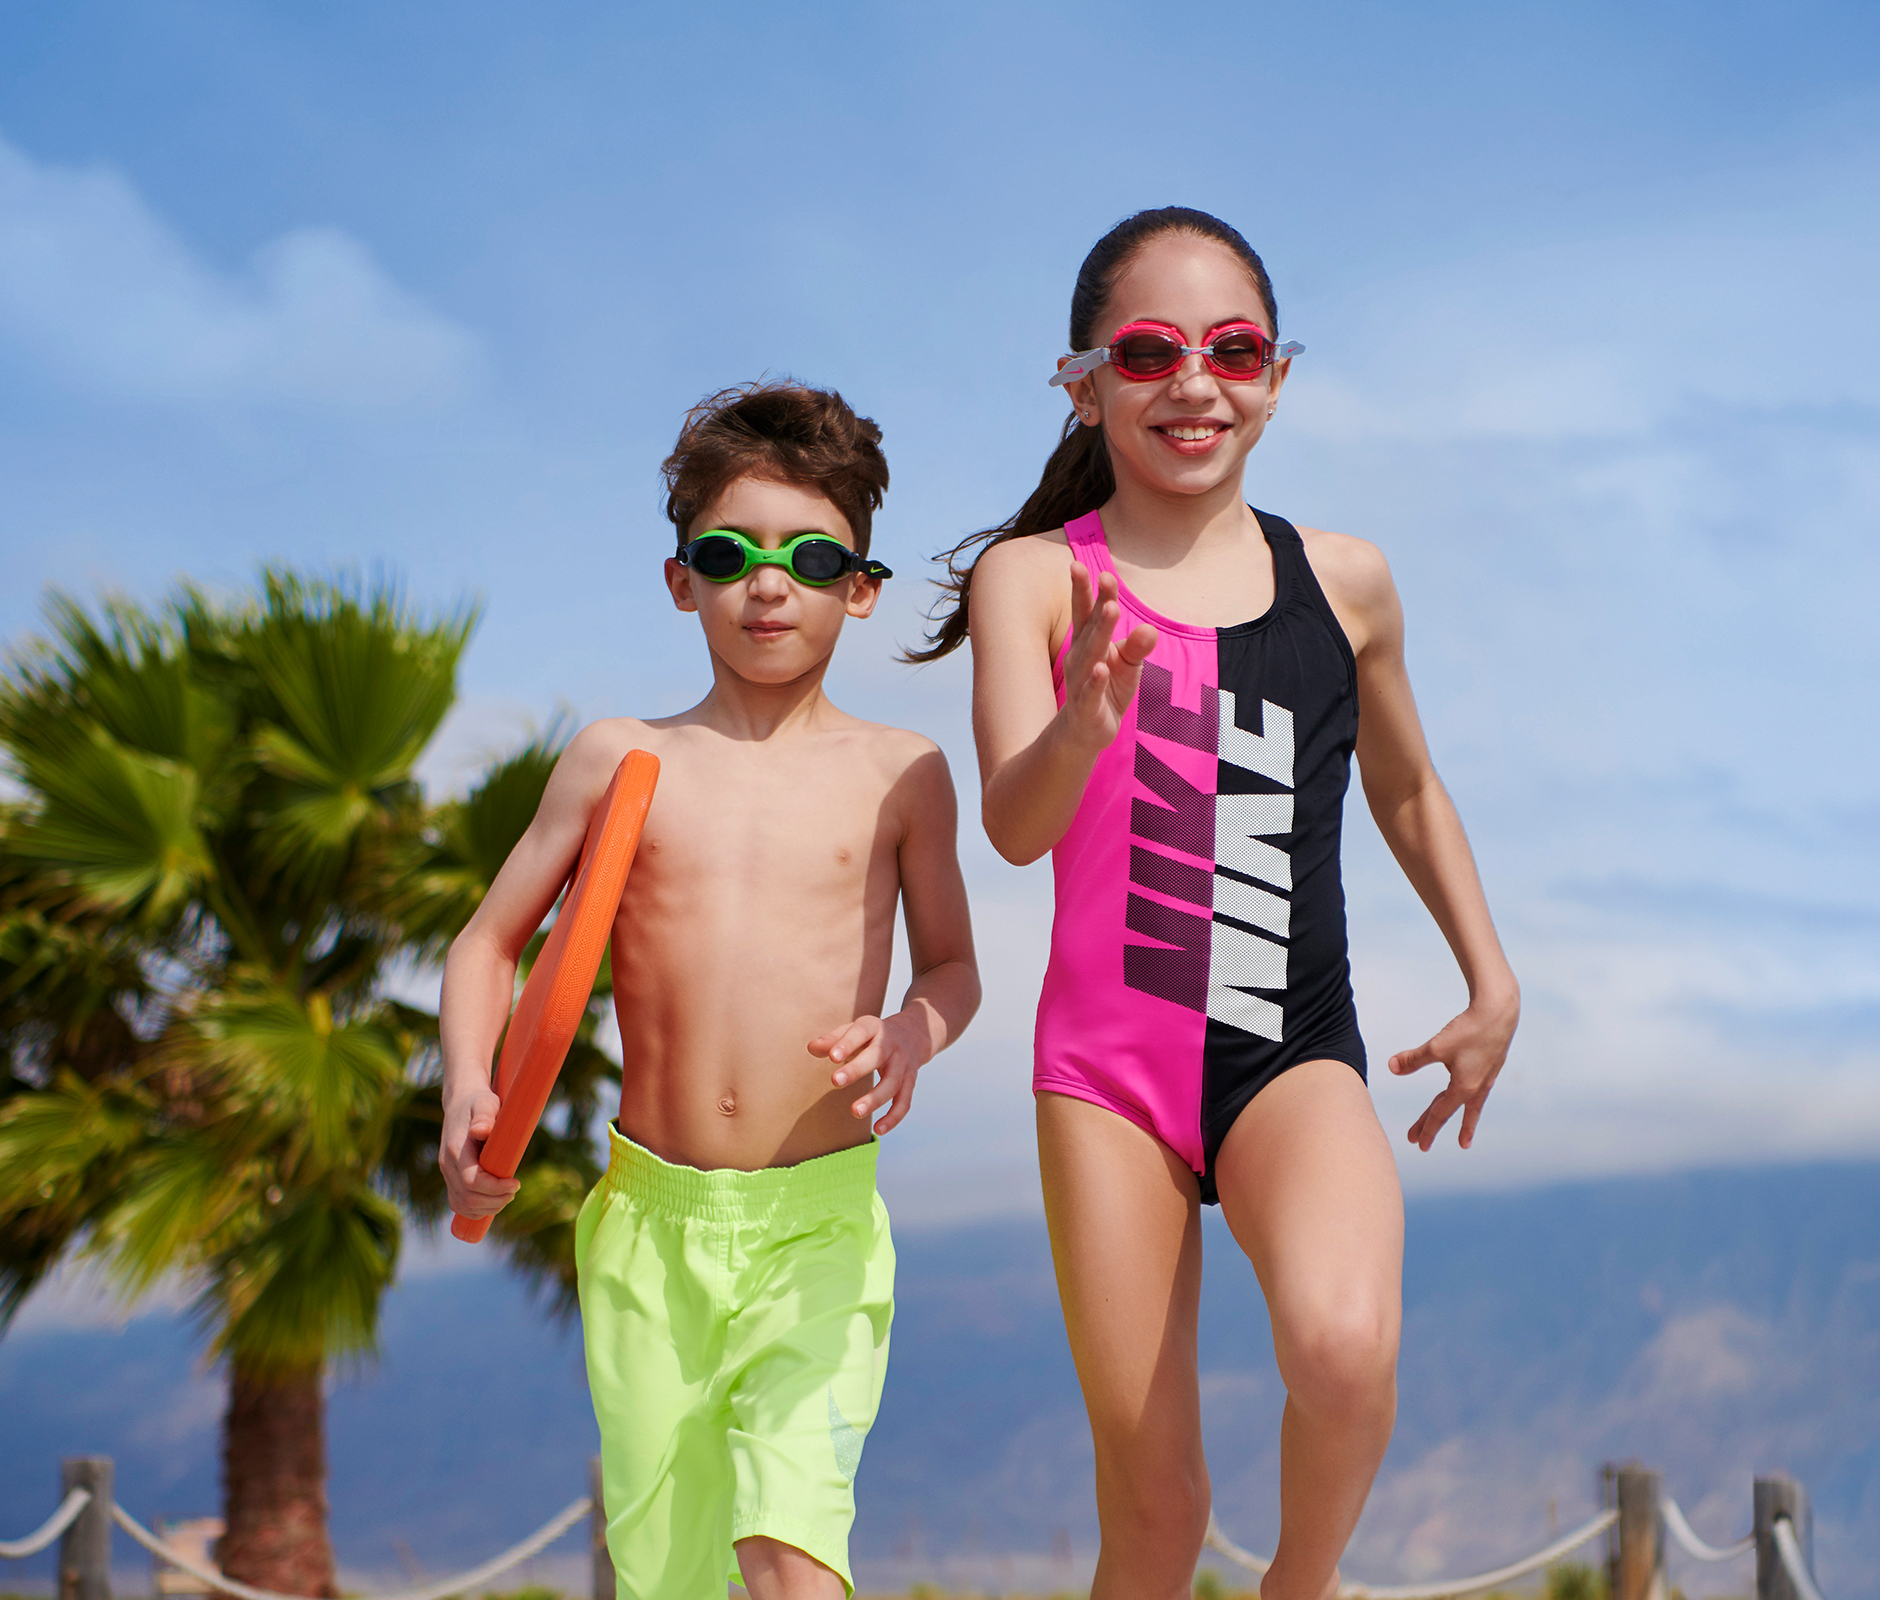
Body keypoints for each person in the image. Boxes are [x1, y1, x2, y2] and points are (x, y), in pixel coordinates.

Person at [911, 207, 1520, 1600]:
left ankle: (1295, 1589)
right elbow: (1013, 827)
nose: (1196, 382)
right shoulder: (1038, 577)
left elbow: (1410, 790)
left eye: (1234, 348)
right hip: (1107, 1079)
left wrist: (1493, 982)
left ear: (1278, 375)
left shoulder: (1346, 581)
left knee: (1347, 1353)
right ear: (1086, 382)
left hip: (1289, 1053)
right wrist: (1082, 723)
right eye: (1149, 350)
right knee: (1157, 1514)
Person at [439, 382, 981, 1600]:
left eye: (810, 556)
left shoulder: (904, 773)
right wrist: (467, 1090)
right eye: (729, 554)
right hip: (647, 1225)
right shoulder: (620, 757)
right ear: (681, 579)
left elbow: (952, 968)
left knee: (791, 1551)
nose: (767, 584)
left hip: (818, 1222)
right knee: (668, 1575)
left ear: (862, 585)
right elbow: (488, 945)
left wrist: (910, 1029)